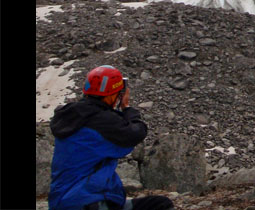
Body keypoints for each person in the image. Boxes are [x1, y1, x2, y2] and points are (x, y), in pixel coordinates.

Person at [49, 65, 174, 210]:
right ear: (112, 95)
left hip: (62, 201)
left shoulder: (71, 116)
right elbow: (136, 133)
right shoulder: (100, 120)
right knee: (161, 206)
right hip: (89, 201)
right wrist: (126, 107)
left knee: (158, 204)